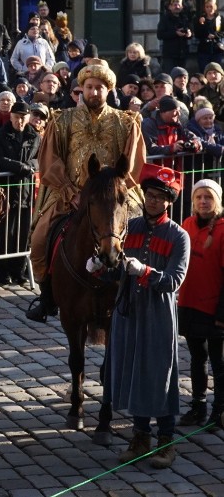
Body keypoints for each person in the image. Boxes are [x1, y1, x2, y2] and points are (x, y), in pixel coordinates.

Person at [27, 63, 146, 322]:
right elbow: (51, 158)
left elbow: (132, 163)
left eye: (99, 88)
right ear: (82, 90)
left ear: (109, 90)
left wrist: (116, 189)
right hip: (68, 193)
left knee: (139, 230)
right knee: (38, 239)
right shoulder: (62, 119)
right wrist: (70, 191)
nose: (93, 92)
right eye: (89, 87)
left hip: (113, 195)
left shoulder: (125, 121)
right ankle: (47, 296)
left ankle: (140, 288)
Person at [90, 163, 189, 468]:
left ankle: (166, 440)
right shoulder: (129, 227)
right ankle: (140, 436)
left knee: (158, 376)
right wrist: (101, 267)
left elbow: (174, 280)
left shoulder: (178, 236)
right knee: (133, 373)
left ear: (168, 202)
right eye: (150, 195)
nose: (153, 201)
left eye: (160, 197)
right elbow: (117, 270)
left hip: (157, 314)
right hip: (128, 312)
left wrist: (145, 271)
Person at [177, 179, 224, 430]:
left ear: (217, 201)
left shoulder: (223, 229)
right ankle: (198, 406)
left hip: (214, 307)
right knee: (197, 358)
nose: (203, 202)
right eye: (198, 197)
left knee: (219, 362)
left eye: (208, 197)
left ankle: (219, 411)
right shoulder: (187, 225)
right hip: (190, 303)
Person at [0, 101, 40, 286]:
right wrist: (20, 167)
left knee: (22, 234)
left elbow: (39, 159)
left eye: (23, 117)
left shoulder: (34, 136)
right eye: (17, 117)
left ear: (27, 118)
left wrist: (31, 167)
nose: (20, 121)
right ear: (11, 116)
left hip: (26, 192)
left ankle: (18, 271)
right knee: (5, 235)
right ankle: (3, 272)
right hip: (6, 191)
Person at [157, 0, 193, 73]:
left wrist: (189, 34)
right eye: (174, 5)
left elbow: (191, 31)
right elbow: (160, 35)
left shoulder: (184, 18)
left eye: (179, 4)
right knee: (169, 76)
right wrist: (175, 33)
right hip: (169, 55)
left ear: (182, 6)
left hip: (182, 54)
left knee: (181, 76)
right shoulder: (165, 19)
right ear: (170, 7)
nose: (177, 7)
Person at [195, 0, 224, 72]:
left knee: (217, 71)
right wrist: (201, 24)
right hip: (204, 51)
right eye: (207, 7)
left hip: (217, 50)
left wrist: (215, 35)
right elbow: (197, 34)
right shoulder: (201, 18)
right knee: (204, 71)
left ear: (215, 7)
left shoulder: (220, 18)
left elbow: (222, 32)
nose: (209, 9)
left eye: (211, 6)